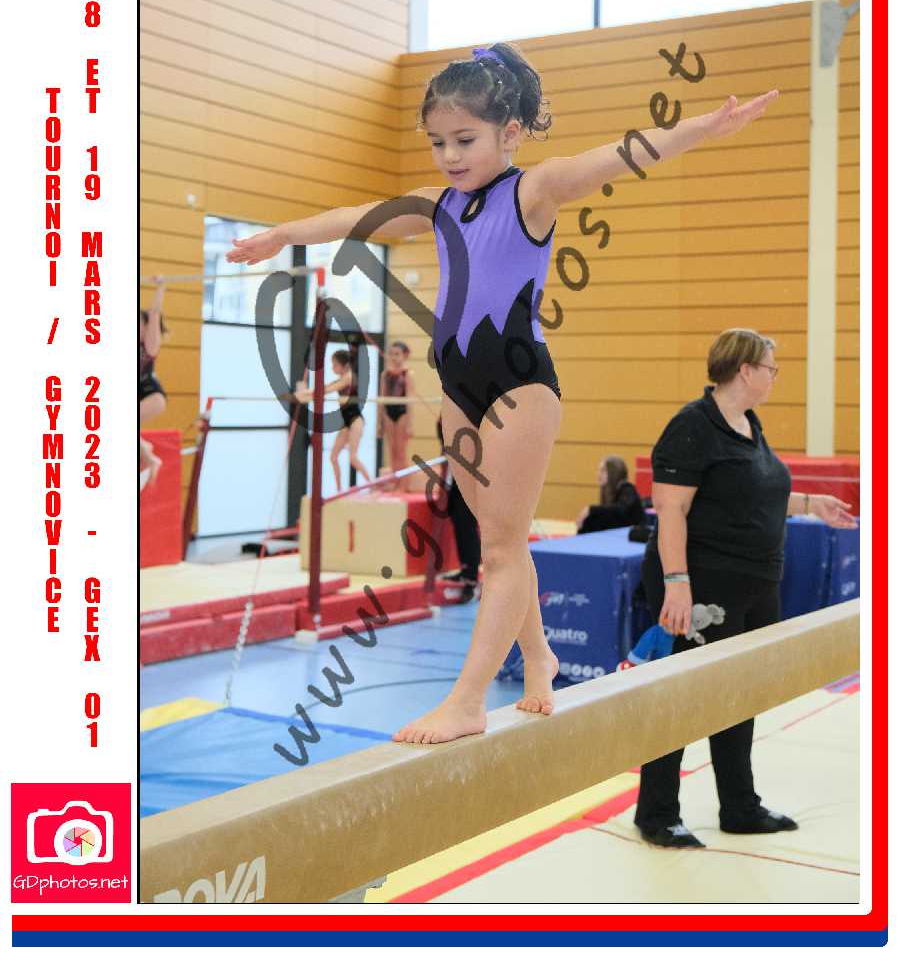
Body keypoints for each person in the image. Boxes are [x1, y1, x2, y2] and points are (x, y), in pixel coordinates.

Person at [227, 40, 779, 744]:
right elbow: (357, 215)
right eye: (437, 142)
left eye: (465, 140)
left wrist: (705, 127)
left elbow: (623, 154)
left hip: (519, 385)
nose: (449, 156)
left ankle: (467, 700)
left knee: (500, 550)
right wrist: (283, 235)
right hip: (458, 387)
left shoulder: (534, 190)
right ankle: (539, 655)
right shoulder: (438, 205)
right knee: (500, 543)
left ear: (510, 132)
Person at [634, 328, 857, 848]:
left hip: (754, 586)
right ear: (745, 370)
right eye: (771, 368)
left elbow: (748, 493)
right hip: (702, 587)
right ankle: (657, 812)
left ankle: (739, 805)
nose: (775, 376)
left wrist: (810, 504)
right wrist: (677, 584)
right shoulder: (693, 426)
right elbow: (671, 509)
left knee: (738, 696)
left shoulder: (748, 424)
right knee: (685, 697)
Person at [295, 349, 372, 492]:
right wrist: (303, 394)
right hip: (346, 422)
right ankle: (339, 490)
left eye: (335, 364)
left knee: (352, 458)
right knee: (333, 457)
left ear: (345, 365)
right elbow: (324, 389)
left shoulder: (349, 377)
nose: (332, 367)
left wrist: (304, 393)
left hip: (355, 420)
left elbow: (326, 390)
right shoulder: (341, 378)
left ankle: (372, 485)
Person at [436, 417, 481, 603]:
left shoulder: (470, 413)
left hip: (471, 472)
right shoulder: (447, 413)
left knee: (466, 523)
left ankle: (471, 578)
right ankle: (465, 569)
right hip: (454, 473)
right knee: (458, 520)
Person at [378, 341, 415, 489]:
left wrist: (410, 424)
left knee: (401, 451)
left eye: (397, 354)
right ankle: (395, 482)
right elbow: (382, 399)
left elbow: (410, 399)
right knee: (392, 450)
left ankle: (403, 484)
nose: (394, 357)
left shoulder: (408, 374)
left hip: (402, 413)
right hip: (388, 413)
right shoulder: (385, 375)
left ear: (405, 355)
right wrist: (379, 423)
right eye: (392, 354)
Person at [576, 455, 646, 533]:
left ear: (614, 472)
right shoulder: (608, 491)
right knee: (589, 520)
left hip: (634, 533)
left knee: (592, 517)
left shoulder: (627, 488)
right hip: (619, 531)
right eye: (599, 470)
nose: (598, 474)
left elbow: (620, 510)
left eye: (602, 470)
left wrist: (591, 509)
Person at [140, 277, 168, 424]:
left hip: (150, 394)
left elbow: (154, 313)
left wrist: (160, 288)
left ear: (146, 327)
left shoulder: (149, 345)